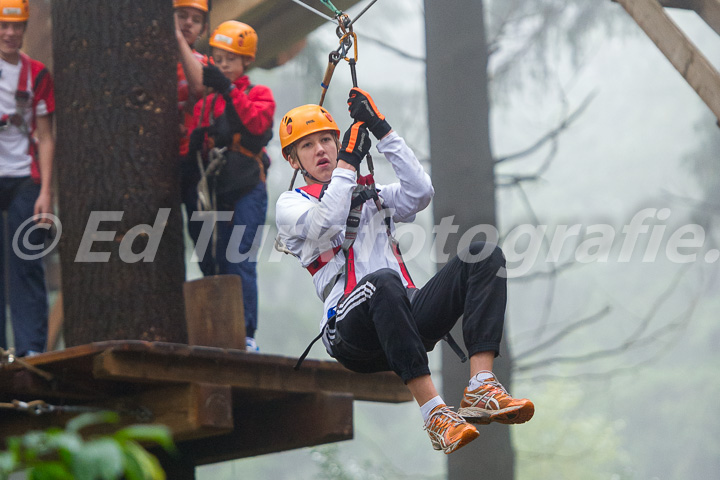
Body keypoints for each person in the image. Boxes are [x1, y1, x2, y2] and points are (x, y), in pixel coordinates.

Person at [275, 89, 534, 454]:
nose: (321, 150)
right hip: (350, 331)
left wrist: (383, 131)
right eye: (308, 146)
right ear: (293, 160)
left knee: (484, 254)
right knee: (384, 282)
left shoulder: (372, 191)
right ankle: (434, 414)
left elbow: (420, 192)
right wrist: (348, 162)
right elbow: (326, 221)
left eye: (327, 141)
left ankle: (481, 384)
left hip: (404, 319)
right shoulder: (290, 205)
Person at [188, 20, 275, 351]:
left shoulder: (258, 95)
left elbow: (257, 124)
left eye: (230, 59)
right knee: (215, 262)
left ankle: (246, 333)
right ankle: (219, 332)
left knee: (240, 258)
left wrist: (227, 88)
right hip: (217, 190)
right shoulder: (205, 105)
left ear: (245, 61)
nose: (222, 64)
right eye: (218, 58)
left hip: (248, 187)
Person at [0, 0, 55, 357]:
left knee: (26, 262)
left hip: (24, 178)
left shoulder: (36, 75)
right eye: (4, 26)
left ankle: (31, 350)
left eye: (16, 27)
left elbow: (47, 137)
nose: (9, 33)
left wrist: (46, 192)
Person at [174, 0, 210, 272]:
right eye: (182, 16)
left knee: (202, 236)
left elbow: (199, 86)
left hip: (193, 160)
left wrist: (177, 39)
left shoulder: (203, 63)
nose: (187, 23)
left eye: (195, 20)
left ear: (202, 28)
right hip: (161, 161)